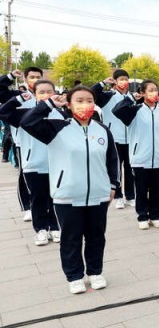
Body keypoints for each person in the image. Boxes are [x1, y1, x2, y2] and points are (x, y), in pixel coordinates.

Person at [21, 86, 119, 294]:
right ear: (69, 104)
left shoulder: (102, 130)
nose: (85, 105)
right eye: (79, 100)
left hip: (98, 195)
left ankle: (95, 272)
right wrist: (48, 104)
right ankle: (74, 276)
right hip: (67, 196)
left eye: (89, 100)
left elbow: (112, 159)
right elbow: (27, 122)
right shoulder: (57, 128)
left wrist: (113, 185)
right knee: (71, 238)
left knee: (96, 236)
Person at [0, 80, 65, 245]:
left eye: (49, 91)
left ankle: (55, 227)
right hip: (34, 165)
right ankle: (40, 229)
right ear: (34, 94)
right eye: (41, 92)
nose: (46, 95)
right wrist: (18, 99)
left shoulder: (61, 114)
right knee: (38, 198)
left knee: (55, 198)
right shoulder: (25, 113)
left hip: (57, 165)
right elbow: (3, 111)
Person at [113, 80, 159, 229]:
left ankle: (155, 216)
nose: (154, 93)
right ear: (142, 93)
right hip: (140, 158)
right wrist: (131, 98)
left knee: (157, 190)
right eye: (150, 90)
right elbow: (116, 110)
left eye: (156, 89)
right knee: (141, 190)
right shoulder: (134, 111)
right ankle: (142, 216)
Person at [0, 68, 43, 222]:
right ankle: (28, 206)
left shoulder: (46, 95)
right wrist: (10, 76)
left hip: (44, 142)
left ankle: (44, 205)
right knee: (25, 174)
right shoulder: (18, 96)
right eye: (32, 77)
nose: (35, 80)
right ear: (25, 79)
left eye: (38, 77)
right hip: (23, 142)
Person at [91, 70, 136, 210]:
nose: (124, 82)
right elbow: (92, 93)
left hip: (130, 138)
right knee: (116, 170)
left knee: (130, 169)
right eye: (121, 79)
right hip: (114, 138)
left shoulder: (132, 97)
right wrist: (102, 83)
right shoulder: (107, 96)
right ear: (115, 81)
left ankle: (130, 196)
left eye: (126, 79)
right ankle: (118, 196)